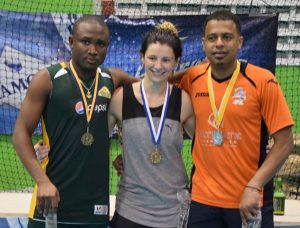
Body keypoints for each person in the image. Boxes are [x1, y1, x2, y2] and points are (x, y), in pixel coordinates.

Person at [12, 15, 136, 227]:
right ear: (71, 41)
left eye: (101, 44)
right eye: (85, 41)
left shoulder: (113, 79)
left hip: (95, 206)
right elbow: (20, 133)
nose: (93, 50)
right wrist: (42, 181)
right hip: (51, 199)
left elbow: (154, 89)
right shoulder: (48, 79)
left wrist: (191, 74)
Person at [179, 10, 294, 227]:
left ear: (239, 42)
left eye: (227, 37)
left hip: (249, 201)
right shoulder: (192, 77)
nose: (219, 44)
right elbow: (154, 88)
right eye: (212, 38)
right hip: (202, 201)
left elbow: (285, 143)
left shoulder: (262, 81)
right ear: (204, 44)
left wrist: (254, 186)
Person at [108, 22, 195, 228]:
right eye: (152, 58)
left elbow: (206, 146)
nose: (158, 66)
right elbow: (93, 142)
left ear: (176, 62)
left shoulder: (183, 102)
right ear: (142, 58)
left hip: (174, 211)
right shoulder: (121, 98)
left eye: (166, 60)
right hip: (131, 208)